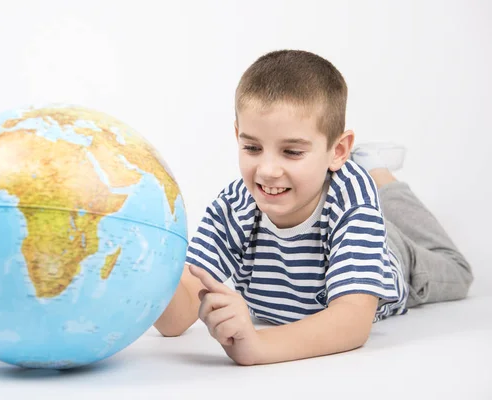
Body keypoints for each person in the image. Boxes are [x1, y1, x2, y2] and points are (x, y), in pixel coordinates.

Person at [153, 50, 473, 366]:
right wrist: (141, 269)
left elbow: (352, 320)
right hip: (336, 226)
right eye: (252, 147)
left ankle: (380, 175)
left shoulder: (353, 202)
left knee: (457, 270)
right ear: (238, 136)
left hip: (393, 258)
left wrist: (260, 345)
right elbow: (174, 320)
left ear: (338, 150)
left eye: (291, 152)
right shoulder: (233, 207)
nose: (267, 170)